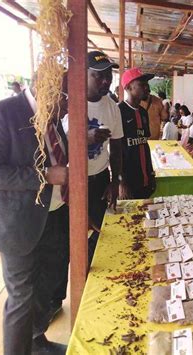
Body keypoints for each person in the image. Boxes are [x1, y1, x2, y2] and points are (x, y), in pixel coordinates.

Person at [0, 74, 69, 354]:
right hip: (16, 225)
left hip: (53, 217)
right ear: (43, 86)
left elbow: (54, 155)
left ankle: (36, 341)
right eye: (64, 97)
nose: (67, 105)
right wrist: (44, 176)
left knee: (45, 290)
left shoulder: (52, 117)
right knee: (21, 299)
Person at [54, 50, 123, 316]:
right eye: (99, 76)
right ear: (84, 76)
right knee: (67, 243)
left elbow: (117, 147)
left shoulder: (112, 107)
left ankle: (94, 294)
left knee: (96, 238)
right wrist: (86, 136)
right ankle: (59, 297)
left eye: (108, 76)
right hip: (70, 184)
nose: (105, 81)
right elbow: (57, 145)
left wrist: (114, 180)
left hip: (98, 180)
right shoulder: (69, 105)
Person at [118, 67, 156, 199]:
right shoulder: (119, 112)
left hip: (144, 178)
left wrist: (151, 174)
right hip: (128, 181)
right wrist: (121, 182)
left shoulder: (143, 112)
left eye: (147, 84)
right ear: (128, 87)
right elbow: (115, 150)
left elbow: (144, 145)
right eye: (142, 84)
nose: (147, 88)